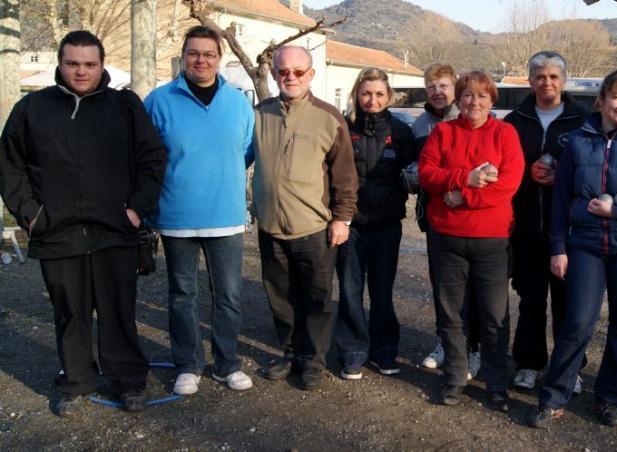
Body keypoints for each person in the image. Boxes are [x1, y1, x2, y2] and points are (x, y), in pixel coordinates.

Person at [0, 30, 167, 416]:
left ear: (102, 65)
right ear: (60, 64)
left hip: (114, 230)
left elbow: (153, 159)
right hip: (57, 232)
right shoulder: (33, 109)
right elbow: (8, 164)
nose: (81, 72)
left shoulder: (124, 107)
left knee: (118, 310)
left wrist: (137, 209)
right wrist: (30, 213)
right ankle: (76, 381)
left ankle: (128, 381)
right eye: (73, 63)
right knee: (70, 312)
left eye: (89, 64)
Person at [532, 70, 617, 428]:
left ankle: (610, 398)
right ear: (601, 100)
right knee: (577, 321)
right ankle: (553, 397)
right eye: (615, 96)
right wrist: (558, 247)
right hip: (585, 244)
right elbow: (562, 197)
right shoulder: (578, 140)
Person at [143, 26, 255, 395]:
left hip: (226, 216)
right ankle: (187, 365)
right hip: (177, 217)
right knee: (181, 295)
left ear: (219, 58)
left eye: (208, 54)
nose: (201, 60)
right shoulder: (158, 101)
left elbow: (245, 151)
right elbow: (146, 157)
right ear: (183, 55)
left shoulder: (239, 102)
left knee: (228, 296)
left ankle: (226, 364)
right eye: (194, 53)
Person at [251, 46, 358, 391]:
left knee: (315, 298)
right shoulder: (258, 114)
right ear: (274, 74)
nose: (290, 77)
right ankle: (289, 354)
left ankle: (313, 360)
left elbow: (344, 175)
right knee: (280, 296)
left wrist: (342, 218)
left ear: (311, 75)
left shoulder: (328, 117)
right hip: (270, 226)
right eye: (284, 71)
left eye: (298, 72)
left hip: (313, 227)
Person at [418, 70, 524, 411]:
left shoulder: (505, 134)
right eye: (467, 95)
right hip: (446, 237)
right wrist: (468, 177)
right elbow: (427, 174)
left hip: (490, 239)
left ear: (492, 100)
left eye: (481, 96)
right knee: (451, 313)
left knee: (494, 315)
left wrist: (461, 196)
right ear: (458, 99)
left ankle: (495, 383)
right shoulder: (443, 132)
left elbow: (507, 184)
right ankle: (455, 377)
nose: (473, 102)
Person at [503, 51, 587, 392]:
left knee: (568, 304)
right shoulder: (513, 121)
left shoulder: (583, 120)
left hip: (570, 230)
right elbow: (502, 169)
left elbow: (596, 171)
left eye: (553, 76)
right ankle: (528, 362)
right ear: (530, 80)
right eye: (540, 76)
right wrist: (527, 174)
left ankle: (570, 368)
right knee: (531, 300)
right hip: (526, 227)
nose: (547, 82)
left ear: (564, 81)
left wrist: (563, 180)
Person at [334, 68, 414, 380]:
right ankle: (352, 352)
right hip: (350, 225)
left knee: (382, 291)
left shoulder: (401, 131)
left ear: (389, 96)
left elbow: (412, 173)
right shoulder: (342, 127)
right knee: (350, 291)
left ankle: (384, 351)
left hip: (386, 225)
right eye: (366, 93)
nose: (372, 100)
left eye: (379, 94)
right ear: (357, 93)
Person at [412, 64, 482, 380]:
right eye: (431, 87)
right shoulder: (420, 125)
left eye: (443, 86)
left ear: (454, 88)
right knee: (443, 288)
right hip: (435, 218)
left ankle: (474, 348)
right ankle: (446, 342)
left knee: (474, 289)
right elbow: (420, 172)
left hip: (472, 218)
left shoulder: (468, 118)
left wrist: (461, 192)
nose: (437, 92)